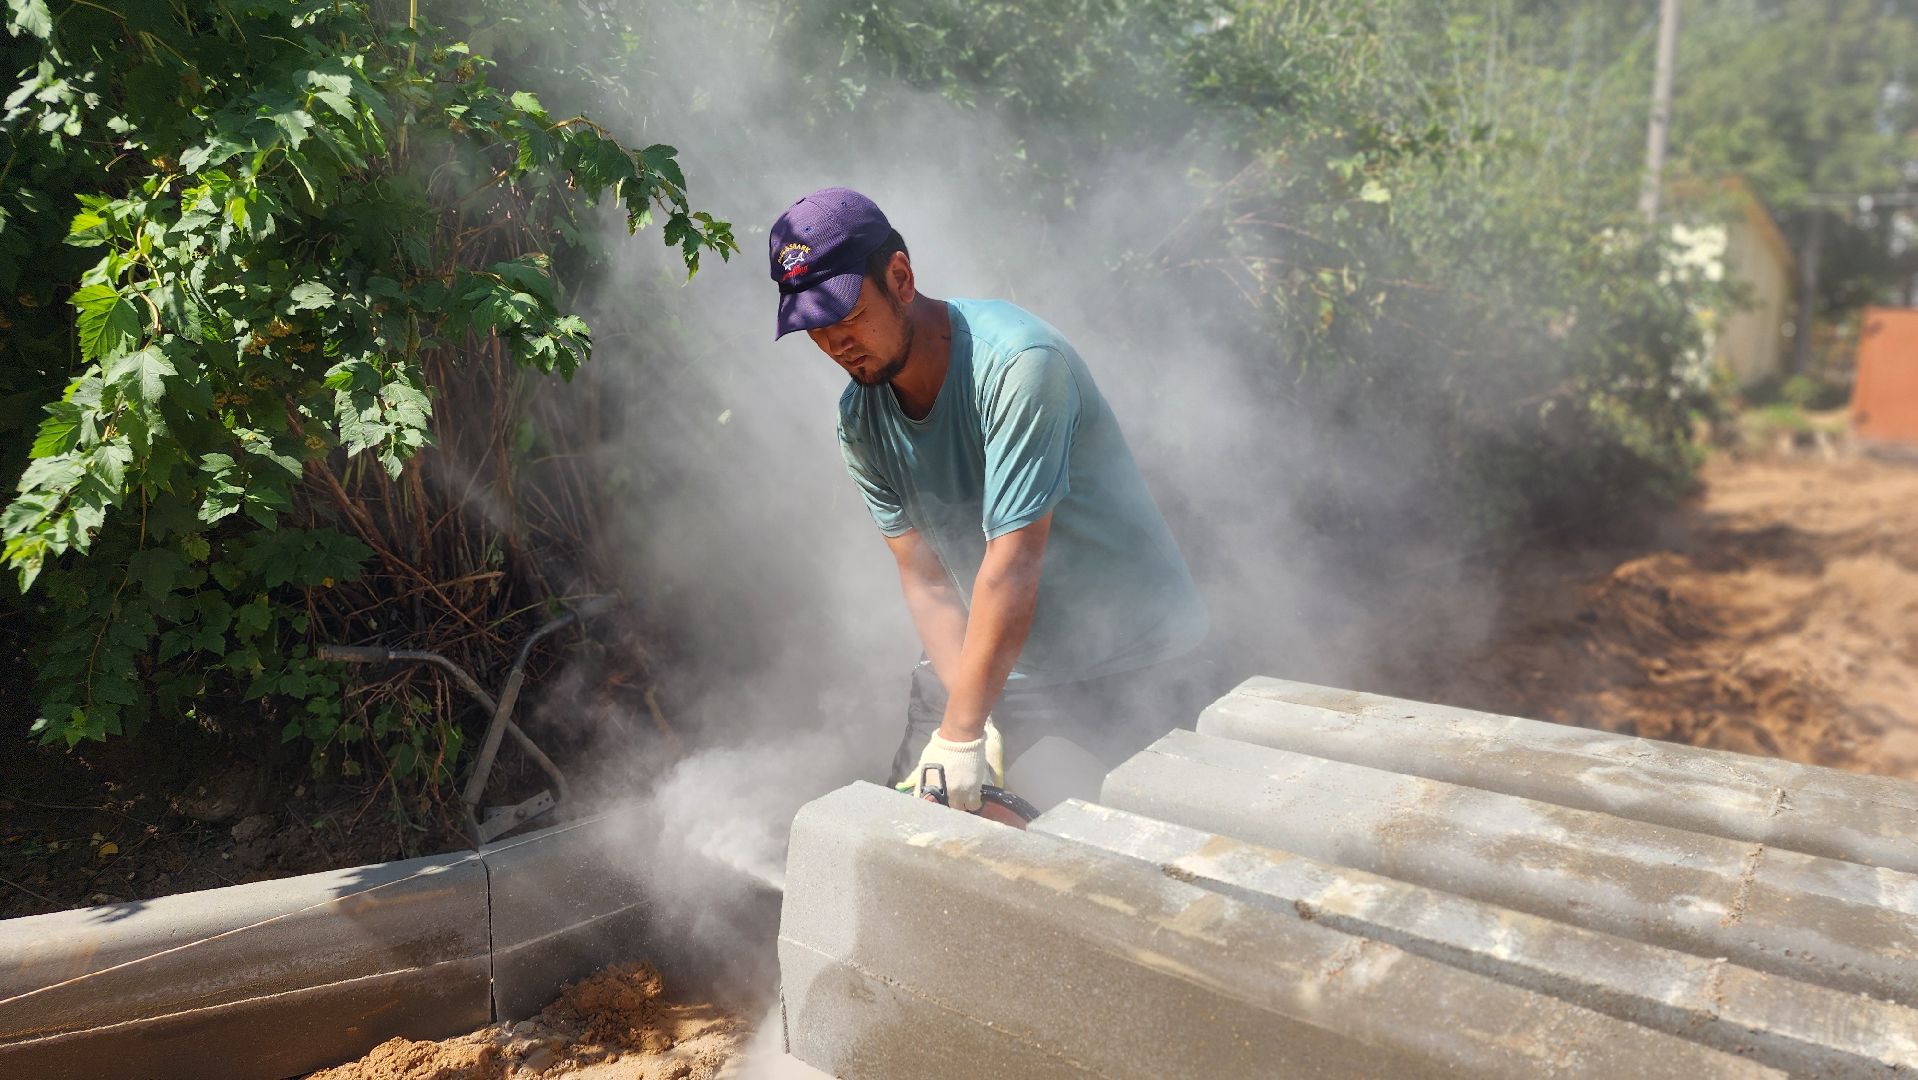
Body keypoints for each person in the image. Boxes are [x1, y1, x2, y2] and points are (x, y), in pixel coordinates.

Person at [769, 187, 1213, 811]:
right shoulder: (860, 421)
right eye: (814, 326)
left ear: (900, 277)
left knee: (1148, 861)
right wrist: (971, 719)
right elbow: (925, 579)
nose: (835, 342)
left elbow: (1014, 564)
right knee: (916, 830)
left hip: (1130, 656)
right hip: (993, 654)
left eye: (845, 314)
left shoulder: (1019, 366)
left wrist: (962, 733)